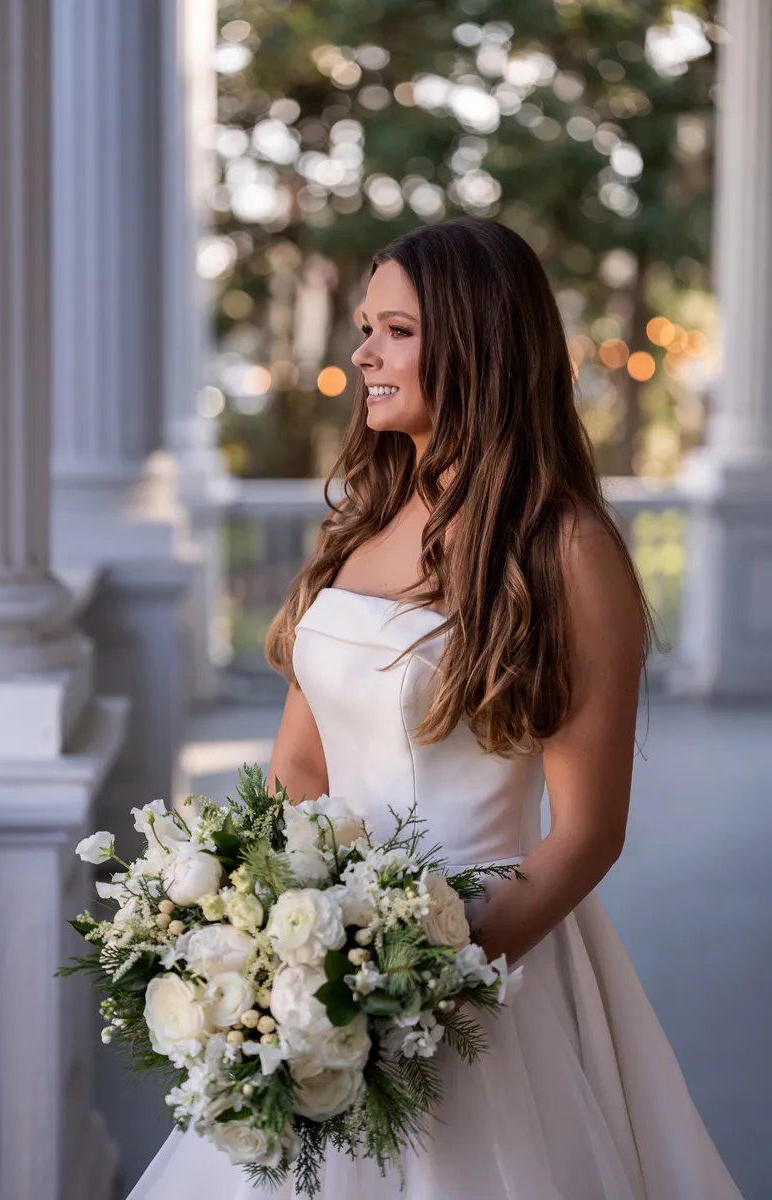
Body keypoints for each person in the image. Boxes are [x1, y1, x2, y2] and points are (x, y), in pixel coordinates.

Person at [129, 217, 742, 1198]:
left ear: (479, 342)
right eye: (365, 327)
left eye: (396, 330)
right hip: (320, 961)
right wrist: (268, 958)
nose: (363, 352)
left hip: (482, 965)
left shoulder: (567, 552)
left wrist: (401, 999)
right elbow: (299, 770)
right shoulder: (355, 520)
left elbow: (585, 834)